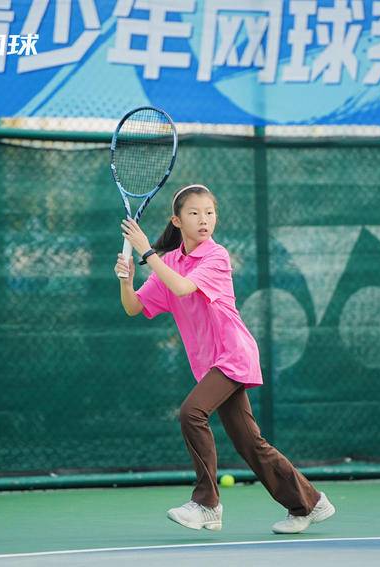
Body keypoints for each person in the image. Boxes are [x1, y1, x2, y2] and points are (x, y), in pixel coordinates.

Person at [115, 183, 336, 534]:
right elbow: (134, 307)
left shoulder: (216, 257)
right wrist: (127, 281)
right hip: (210, 365)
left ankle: (207, 504)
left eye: (209, 212)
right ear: (177, 220)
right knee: (250, 443)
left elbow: (183, 287)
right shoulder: (170, 262)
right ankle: (309, 502)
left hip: (233, 355)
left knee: (191, 413)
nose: (204, 219)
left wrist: (146, 252)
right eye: (194, 213)